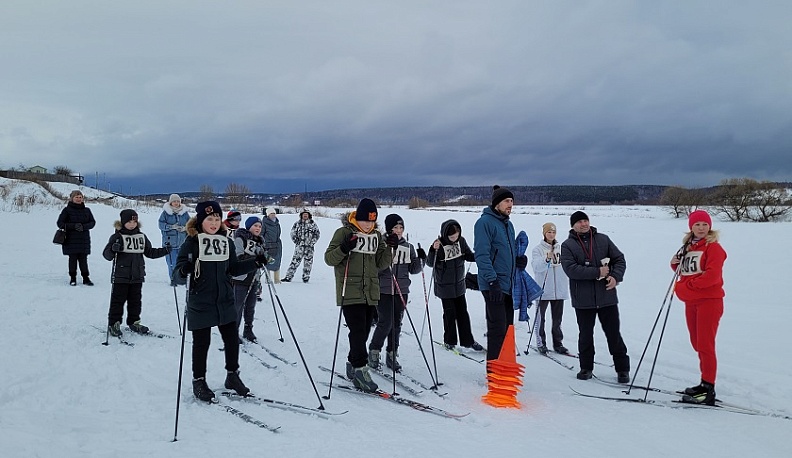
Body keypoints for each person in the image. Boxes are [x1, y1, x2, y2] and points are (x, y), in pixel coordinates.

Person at [174, 201, 270, 402]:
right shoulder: (192, 242)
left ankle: (232, 376)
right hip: (201, 299)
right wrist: (185, 269)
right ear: (201, 220)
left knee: (231, 339)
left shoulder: (225, 242)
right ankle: (199, 380)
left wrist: (255, 262)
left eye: (217, 219)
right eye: (210, 219)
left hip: (224, 298)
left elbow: (233, 269)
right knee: (202, 342)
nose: (214, 223)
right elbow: (178, 273)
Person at [324, 198, 391, 392]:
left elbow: (380, 263)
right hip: (350, 290)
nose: (368, 225)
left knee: (365, 330)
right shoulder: (344, 232)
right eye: (365, 221)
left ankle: (352, 363)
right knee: (358, 330)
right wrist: (344, 247)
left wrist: (390, 247)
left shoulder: (376, 236)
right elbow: (329, 259)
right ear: (357, 218)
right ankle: (361, 369)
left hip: (370, 290)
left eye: (372, 221)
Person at [560, 211, 630, 383]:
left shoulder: (603, 239)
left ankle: (622, 369)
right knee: (585, 335)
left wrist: (615, 276)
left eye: (586, 220)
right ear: (573, 225)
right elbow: (571, 270)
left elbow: (619, 260)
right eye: (579, 222)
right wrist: (597, 272)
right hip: (583, 300)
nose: (583, 224)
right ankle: (586, 367)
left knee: (614, 334)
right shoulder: (567, 245)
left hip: (607, 297)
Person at [671, 209, 727, 406]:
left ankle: (707, 387)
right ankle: (704, 384)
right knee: (696, 343)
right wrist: (675, 263)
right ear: (691, 227)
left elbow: (712, 277)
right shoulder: (689, 246)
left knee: (705, 345)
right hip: (691, 301)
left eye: (705, 224)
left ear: (710, 226)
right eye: (697, 225)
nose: (701, 228)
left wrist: (686, 287)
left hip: (709, 301)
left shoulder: (714, 248)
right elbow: (684, 269)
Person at [368, 214, 423, 372]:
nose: (399, 231)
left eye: (401, 228)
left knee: (397, 324)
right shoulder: (382, 244)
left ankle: (392, 353)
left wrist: (421, 260)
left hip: (402, 289)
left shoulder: (408, 246)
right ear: (389, 229)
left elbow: (414, 269)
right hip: (384, 290)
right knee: (386, 322)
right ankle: (374, 351)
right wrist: (388, 256)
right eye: (395, 228)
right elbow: (376, 268)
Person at [102, 209, 170, 336]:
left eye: (134, 221)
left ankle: (134, 322)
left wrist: (165, 251)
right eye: (129, 221)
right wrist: (112, 249)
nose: (132, 224)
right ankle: (113, 324)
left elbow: (150, 252)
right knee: (117, 301)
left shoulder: (141, 237)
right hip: (121, 276)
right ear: (123, 222)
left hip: (137, 275)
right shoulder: (117, 237)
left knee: (135, 301)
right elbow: (107, 255)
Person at [474, 186, 518, 363]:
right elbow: (482, 255)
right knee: (497, 329)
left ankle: (506, 366)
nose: (510, 205)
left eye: (512, 201)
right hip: (493, 284)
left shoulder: (508, 224)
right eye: (507, 201)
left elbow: (505, 251)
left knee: (507, 328)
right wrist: (492, 281)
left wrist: (518, 259)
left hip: (507, 284)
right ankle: (494, 373)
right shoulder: (484, 223)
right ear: (496, 203)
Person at [426, 219, 483, 351]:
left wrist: (480, 256)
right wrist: (432, 250)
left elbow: (468, 255)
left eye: (456, 236)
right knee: (449, 314)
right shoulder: (438, 245)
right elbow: (430, 263)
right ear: (445, 235)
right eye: (452, 237)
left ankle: (468, 340)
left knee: (463, 313)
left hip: (459, 285)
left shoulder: (461, 241)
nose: (454, 238)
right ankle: (449, 341)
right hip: (444, 287)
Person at [232, 216, 274, 343]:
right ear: (249, 226)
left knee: (250, 306)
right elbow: (238, 256)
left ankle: (248, 329)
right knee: (238, 306)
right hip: (241, 278)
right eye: (255, 226)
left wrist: (265, 258)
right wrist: (255, 260)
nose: (258, 228)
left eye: (260, 226)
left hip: (254, 277)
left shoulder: (260, 240)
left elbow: (261, 255)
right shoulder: (240, 238)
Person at [531, 222, 570, 355]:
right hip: (544, 290)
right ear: (544, 233)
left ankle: (558, 343)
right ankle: (541, 343)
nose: (551, 234)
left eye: (553, 232)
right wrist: (546, 258)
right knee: (540, 318)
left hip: (559, 289)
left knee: (557, 320)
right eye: (549, 232)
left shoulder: (562, 249)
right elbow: (536, 268)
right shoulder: (537, 249)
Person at [57, 189, 96, 286]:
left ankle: (86, 278)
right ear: (72, 198)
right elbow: (60, 223)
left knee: (83, 259)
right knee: (73, 259)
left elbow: (92, 222)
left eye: (80, 197)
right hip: (71, 239)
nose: (79, 199)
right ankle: (73, 278)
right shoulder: (66, 210)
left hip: (84, 239)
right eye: (76, 197)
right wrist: (73, 226)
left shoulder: (87, 210)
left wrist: (83, 227)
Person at [158, 193, 190, 285]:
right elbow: (161, 225)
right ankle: (173, 279)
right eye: (174, 201)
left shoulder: (184, 213)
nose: (176, 203)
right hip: (169, 243)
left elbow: (190, 224)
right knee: (171, 263)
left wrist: (185, 228)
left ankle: (181, 279)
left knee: (182, 262)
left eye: (177, 201)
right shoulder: (165, 213)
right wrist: (171, 227)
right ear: (170, 202)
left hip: (182, 243)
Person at [283, 209, 321, 283]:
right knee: (294, 262)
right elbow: (292, 233)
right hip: (299, 247)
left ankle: (306, 278)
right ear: (301, 215)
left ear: (309, 215)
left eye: (306, 214)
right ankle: (288, 277)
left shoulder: (313, 224)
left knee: (308, 263)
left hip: (309, 247)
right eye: (304, 214)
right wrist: (296, 241)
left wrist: (312, 242)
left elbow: (317, 234)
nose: (305, 215)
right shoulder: (297, 224)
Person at [261, 208, 283, 283]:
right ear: (268, 215)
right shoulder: (264, 224)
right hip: (268, 246)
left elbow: (278, 233)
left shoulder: (277, 223)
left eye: (274, 214)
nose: (273, 215)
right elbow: (261, 235)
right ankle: (268, 279)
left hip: (277, 245)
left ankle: (277, 279)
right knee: (268, 262)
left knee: (277, 262)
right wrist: (264, 243)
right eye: (271, 214)